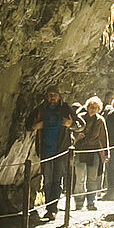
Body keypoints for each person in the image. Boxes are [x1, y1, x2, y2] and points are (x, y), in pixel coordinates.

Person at [30, 89, 73, 217]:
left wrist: (70, 124)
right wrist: (36, 126)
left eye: (55, 95)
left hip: (60, 150)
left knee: (57, 179)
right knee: (47, 179)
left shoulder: (65, 108)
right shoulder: (41, 110)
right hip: (45, 149)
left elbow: (81, 124)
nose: (52, 97)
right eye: (50, 95)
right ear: (47, 97)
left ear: (59, 97)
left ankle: (53, 209)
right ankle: (50, 207)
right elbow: (28, 124)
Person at [78, 95, 109, 210]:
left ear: (98, 109)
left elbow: (103, 138)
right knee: (80, 177)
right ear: (87, 107)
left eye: (95, 108)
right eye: (91, 107)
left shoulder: (100, 120)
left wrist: (106, 153)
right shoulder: (80, 118)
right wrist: (77, 136)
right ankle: (79, 201)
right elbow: (72, 132)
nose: (93, 109)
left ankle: (91, 202)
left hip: (93, 151)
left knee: (92, 178)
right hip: (80, 151)